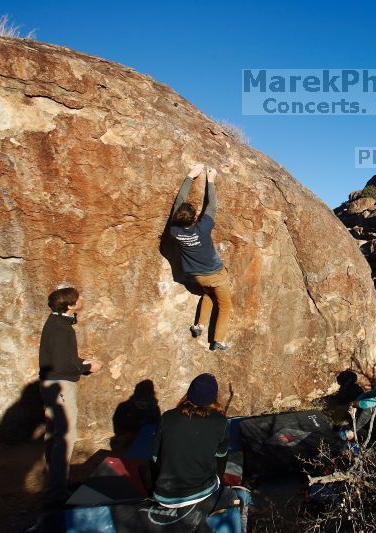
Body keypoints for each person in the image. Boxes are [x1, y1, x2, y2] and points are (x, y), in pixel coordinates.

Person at [38, 286, 103, 506]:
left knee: (54, 435)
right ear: (69, 305)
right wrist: (87, 367)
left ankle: (54, 482)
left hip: (51, 383)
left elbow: (63, 358)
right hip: (60, 386)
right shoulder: (61, 330)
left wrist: (83, 362)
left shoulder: (56, 323)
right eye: (78, 298)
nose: (82, 299)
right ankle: (57, 491)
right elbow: (63, 364)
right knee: (65, 437)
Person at [169, 163, 232, 350]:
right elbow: (211, 206)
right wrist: (210, 181)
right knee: (225, 305)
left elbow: (178, 203)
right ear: (195, 218)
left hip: (198, 276)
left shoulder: (174, 231)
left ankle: (199, 325)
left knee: (208, 294)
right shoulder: (203, 228)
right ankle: (218, 340)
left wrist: (190, 175)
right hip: (216, 275)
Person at [151, 373, 230, 508]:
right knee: (225, 456)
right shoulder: (220, 422)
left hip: (164, 495)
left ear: (189, 392)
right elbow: (221, 457)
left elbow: (154, 457)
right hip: (201, 492)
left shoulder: (167, 417)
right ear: (213, 397)